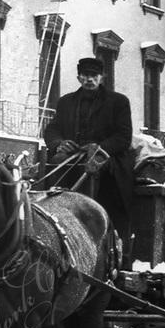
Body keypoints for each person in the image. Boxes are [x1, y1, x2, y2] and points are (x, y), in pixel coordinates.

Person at [44, 56, 134, 264]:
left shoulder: (119, 102)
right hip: (73, 158)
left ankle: (110, 245)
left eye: (94, 75)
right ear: (78, 77)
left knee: (103, 182)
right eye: (85, 75)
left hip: (107, 161)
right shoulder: (66, 102)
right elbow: (52, 129)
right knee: (54, 169)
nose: (89, 80)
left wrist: (100, 148)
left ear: (102, 77)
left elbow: (123, 136)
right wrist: (59, 143)